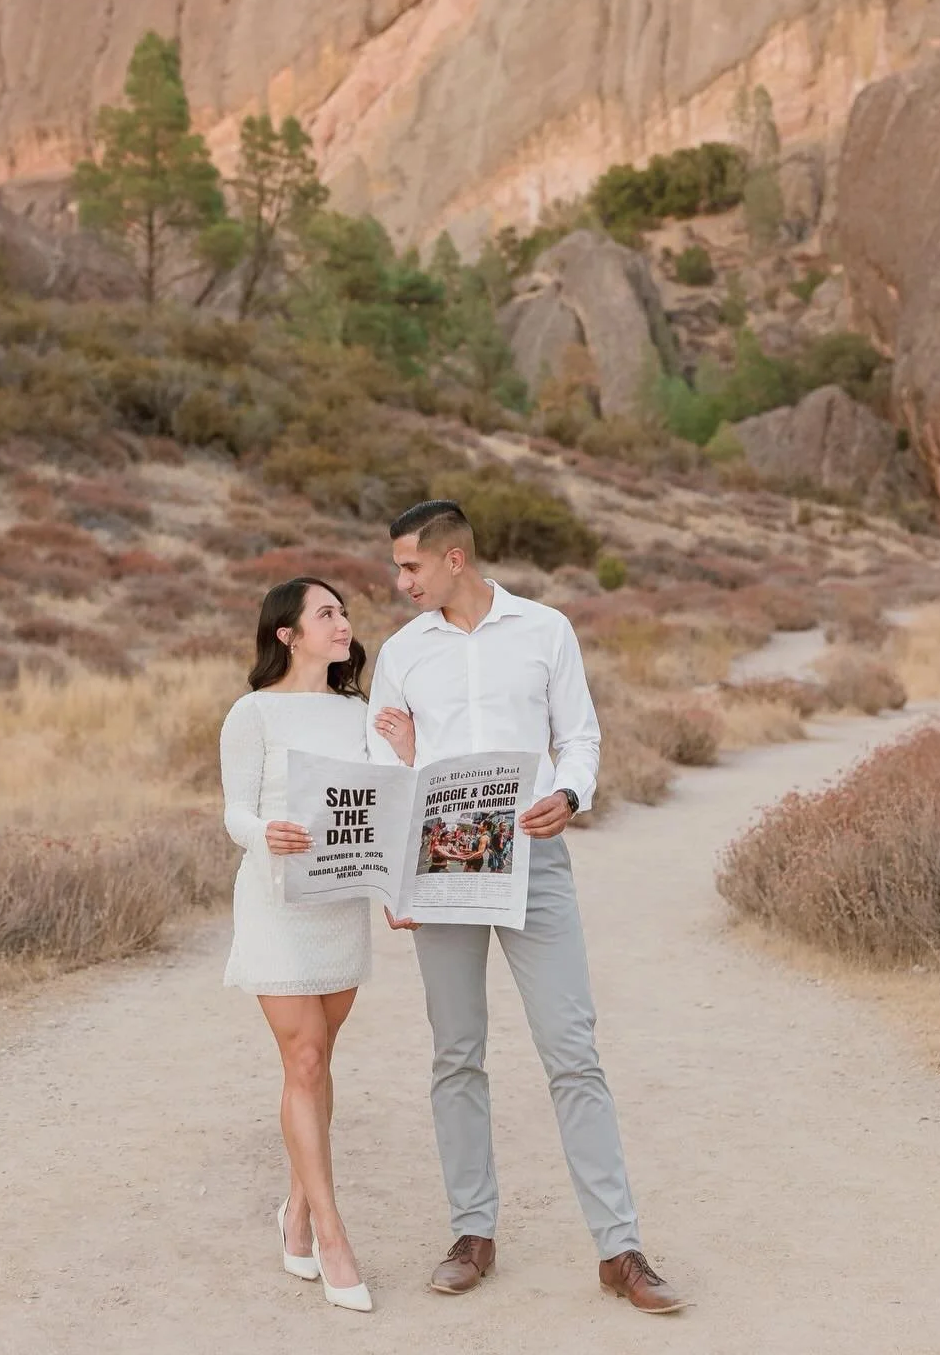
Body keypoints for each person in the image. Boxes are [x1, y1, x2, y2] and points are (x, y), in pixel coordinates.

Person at [366, 502, 684, 1315]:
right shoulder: (401, 655)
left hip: (534, 864)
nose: (400, 582)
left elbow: (579, 735)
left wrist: (570, 794)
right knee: (456, 1053)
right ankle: (472, 1233)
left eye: (410, 566)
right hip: (441, 865)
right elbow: (381, 770)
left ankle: (619, 1249)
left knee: (572, 1050)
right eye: (397, 568)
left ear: (455, 559)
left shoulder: (545, 630)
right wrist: (396, 868)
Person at [220, 575, 414, 1314]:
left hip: (339, 902)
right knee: (303, 1059)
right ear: (288, 633)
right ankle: (332, 1236)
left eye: (344, 613)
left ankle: (296, 1211)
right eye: (326, 613)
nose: (343, 624)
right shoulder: (253, 713)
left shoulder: (357, 714)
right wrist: (265, 832)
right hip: (276, 904)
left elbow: (384, 804)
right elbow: (235, 812)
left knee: (319, 1060)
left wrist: (406, 751)